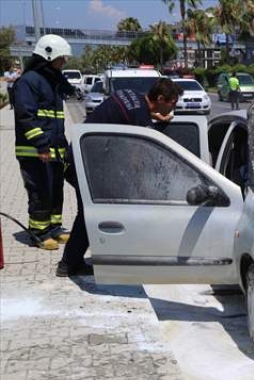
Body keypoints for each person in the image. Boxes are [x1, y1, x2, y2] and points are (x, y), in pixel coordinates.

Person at [56, 78, 184, 277]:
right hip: (84, 164)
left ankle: (75, 260)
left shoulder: (131, 96)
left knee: (92, 213)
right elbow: (139, 155)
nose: (173, 107)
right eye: (172, 103)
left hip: (78, 157)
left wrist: (153, 116)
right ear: (160, 98)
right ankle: (69, 264)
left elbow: (130, 116)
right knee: (90, 214)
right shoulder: (140, 116)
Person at [13, 35, 76, 250]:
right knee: (40, 191)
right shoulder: (28, 81)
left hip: (55, 148)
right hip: (35, 151)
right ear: (48, 56)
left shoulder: (52, 80)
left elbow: (57, 116)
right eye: (61, 59)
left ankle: (54, 228)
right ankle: (38, 233)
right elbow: (25, 116)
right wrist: (40, 144)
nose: (63, 63)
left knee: (55, 190)